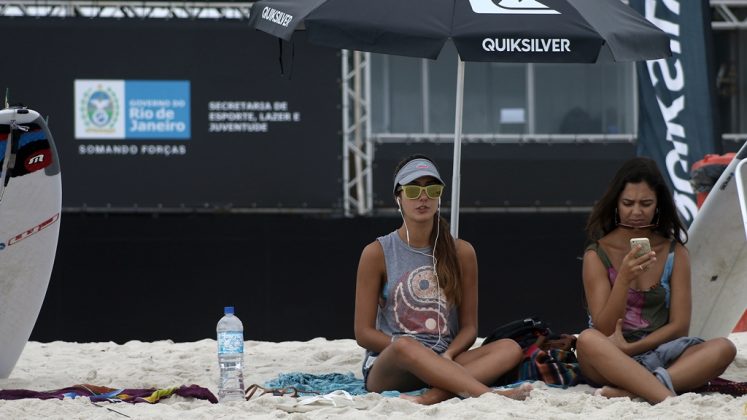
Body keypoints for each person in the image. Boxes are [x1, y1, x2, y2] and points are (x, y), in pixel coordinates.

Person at [354, 154, 530, 405]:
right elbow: (363, 333)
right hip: (392, 364)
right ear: (398, 198)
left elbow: (469, 328)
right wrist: (408, 348)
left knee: (510, 348)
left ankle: (433, 396)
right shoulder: (377, 252)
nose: (423, 196)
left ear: (439, 196)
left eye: (432, 189)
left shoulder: (462, 252)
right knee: (406, 345)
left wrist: (448, 355)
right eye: (413, 190)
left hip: (445, 358)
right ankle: (489, 395)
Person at [576, 157, 736, 404]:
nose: (636, 212)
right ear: (616, 204)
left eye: (646, 203)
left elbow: (680, 326)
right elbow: (605, 328)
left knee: (724, 348)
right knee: (587, 339)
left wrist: (633, 349)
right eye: (628, 203)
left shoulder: (674, 252)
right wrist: (624, 279)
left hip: (660, 352)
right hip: (609, 355)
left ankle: (633, 391)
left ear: (658, 205)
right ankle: (664, 394)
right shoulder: (597, 254)